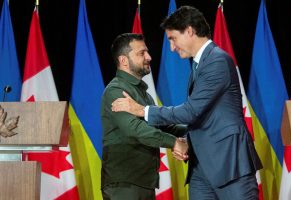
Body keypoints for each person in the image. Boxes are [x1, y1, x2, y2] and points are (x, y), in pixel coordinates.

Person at [111, 6, 263, 200]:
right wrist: (185, 142)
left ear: (189, 31)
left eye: (173, 39)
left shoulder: (217, 61)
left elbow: (191, 111)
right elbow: (203, 118)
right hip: (201, 166)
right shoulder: (199, 65)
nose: (172, 47)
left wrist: (143, 110)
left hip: (229, 164)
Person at [100, 33, 188, 200]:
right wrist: (174, 142)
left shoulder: (144, 95)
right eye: (142, 53)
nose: (149, 57)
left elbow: (162, 125)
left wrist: (197, 130)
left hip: (143, 182)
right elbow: (135, 128)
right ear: (123, 61)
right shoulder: (116, 91)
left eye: (147, 52)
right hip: (124, 184)